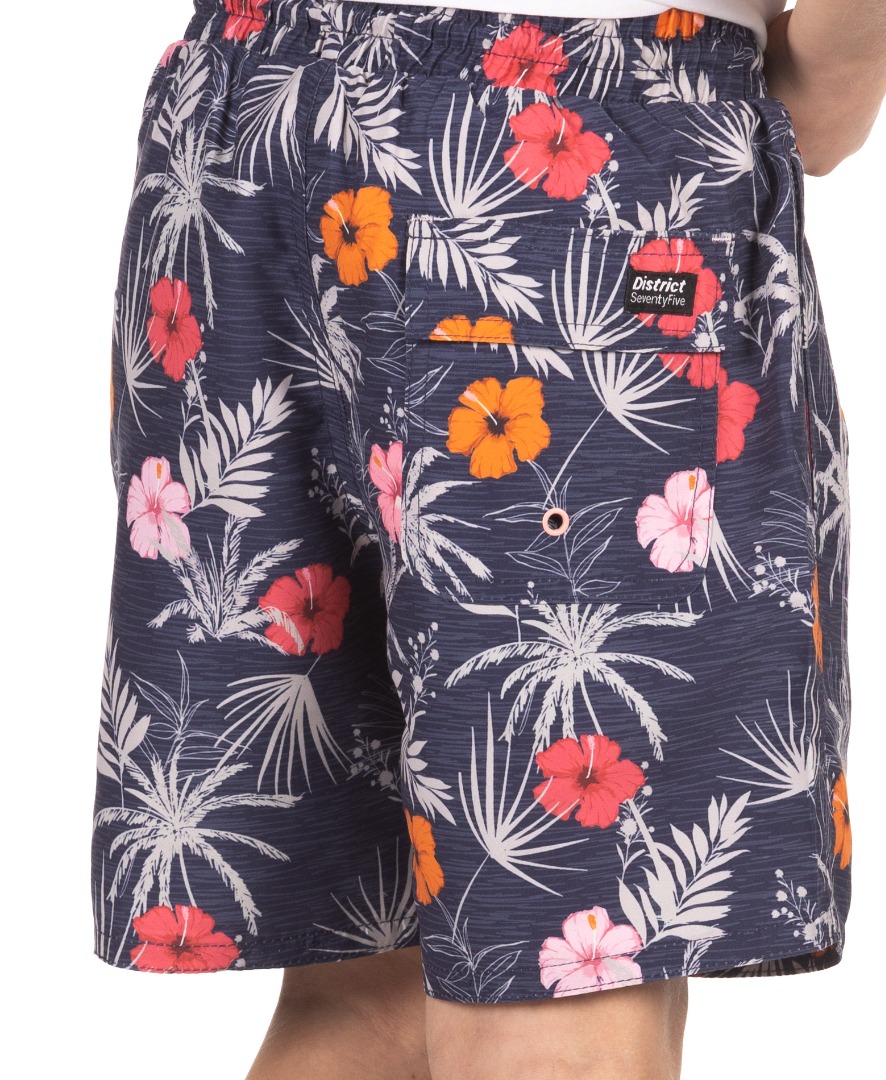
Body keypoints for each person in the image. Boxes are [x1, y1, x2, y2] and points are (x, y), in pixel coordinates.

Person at [92, 2, 882, 1077]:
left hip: (239, 128)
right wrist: (819, 86)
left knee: (365, 993)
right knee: (565, 994)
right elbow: (827, 85)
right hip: (560, 147)